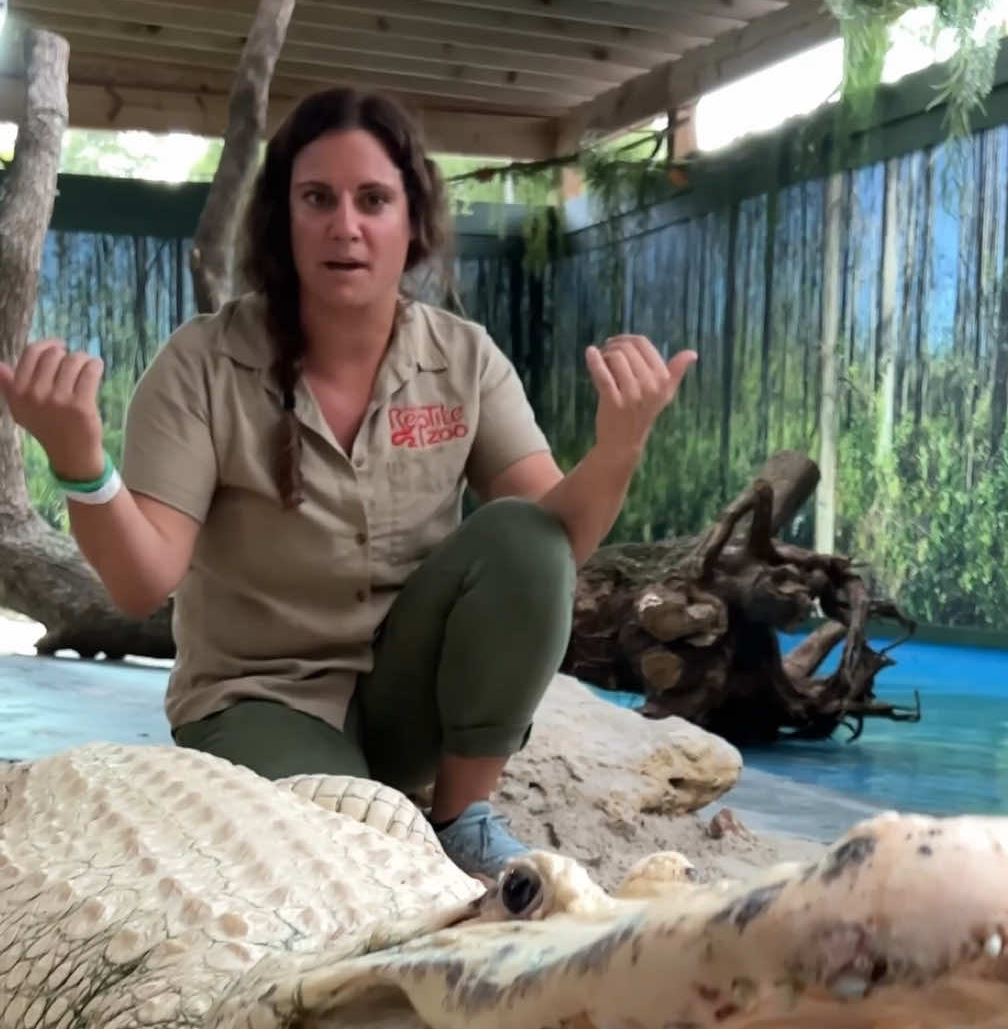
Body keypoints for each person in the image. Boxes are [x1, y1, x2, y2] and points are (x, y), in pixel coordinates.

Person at [0, 86, 696, 881]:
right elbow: (140, 580)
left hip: (409, 697)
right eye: (317, 198)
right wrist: (81, 463)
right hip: (260, 698)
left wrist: (618, 449)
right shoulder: (199, 365)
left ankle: (463, 815)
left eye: (373, 199)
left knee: (524, 534)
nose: (346, 225)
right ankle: (382, 816)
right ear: (282, 219)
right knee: (351, 844)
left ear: (413, 221)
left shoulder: (464, 359)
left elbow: (554, 541)